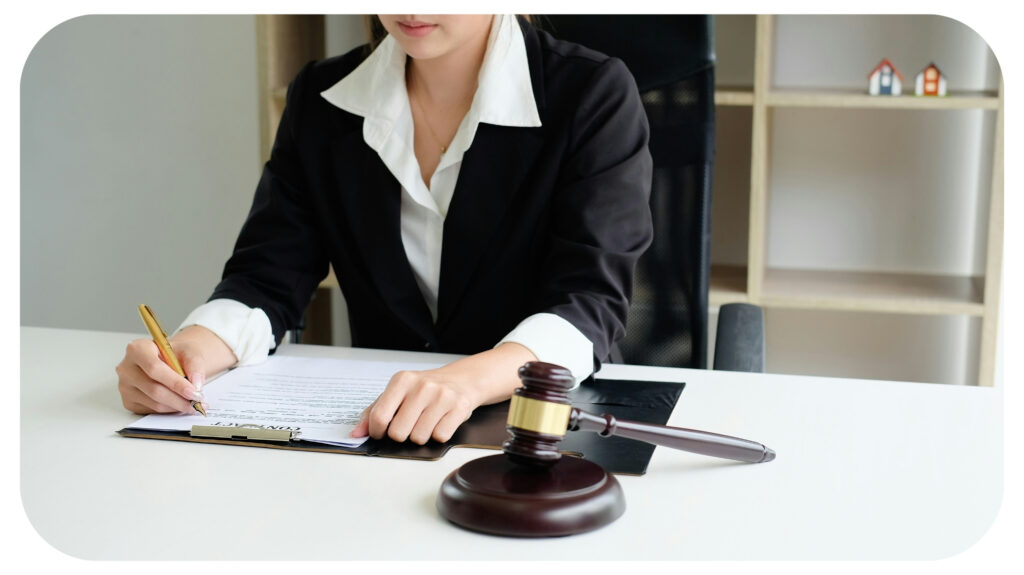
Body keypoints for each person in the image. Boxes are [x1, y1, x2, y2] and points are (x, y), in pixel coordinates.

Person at [115, 14, 653, 445]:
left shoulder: (592, 93)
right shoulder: (322, 98)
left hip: (549, 427)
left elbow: (589, 301)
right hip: (380, 434)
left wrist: (464, 381)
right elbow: (265, 277)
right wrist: (193, 349)